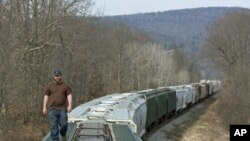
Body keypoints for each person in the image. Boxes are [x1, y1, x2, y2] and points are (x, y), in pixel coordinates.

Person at [43, 69, 73, 141]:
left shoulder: (65, 86)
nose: (57, 77)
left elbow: (69, 95)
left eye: (58, 76)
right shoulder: (50, 86)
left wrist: (70, 105)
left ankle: (63, 134)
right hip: (52, 109)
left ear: (61, 76)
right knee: (53, 126)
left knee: (64, 125)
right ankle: (55, 139)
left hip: (62, 109)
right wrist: (44, 107)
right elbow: (46, 96)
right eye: (56, 76)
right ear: (53, 76)